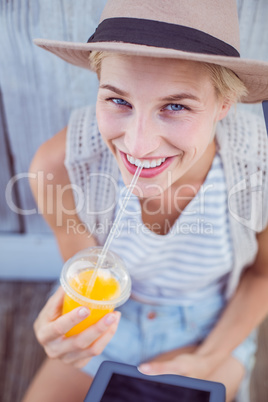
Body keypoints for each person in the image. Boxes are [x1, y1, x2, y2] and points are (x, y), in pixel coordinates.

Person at [23, 0, 268, 401]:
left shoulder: (259, 168)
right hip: (113, 318)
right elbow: (85, 272)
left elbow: (262, 276)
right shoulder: (59, 166)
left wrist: (206, 360)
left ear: (224, 105)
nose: (137, 144)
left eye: (175, 106)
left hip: (209, 326)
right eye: (118, 100)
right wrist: (66, 328)